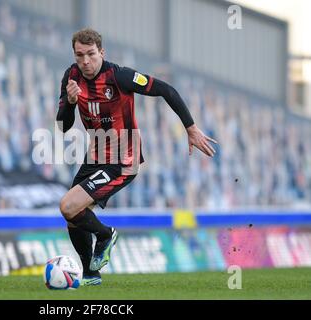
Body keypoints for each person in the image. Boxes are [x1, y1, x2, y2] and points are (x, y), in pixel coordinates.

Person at [56, 28, 218, 286]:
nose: (85, 61)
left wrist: (190, 127)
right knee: (74, 217)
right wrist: (71, 102)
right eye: (79, 55)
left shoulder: (119, 76)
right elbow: (63, 126)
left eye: (90, 54)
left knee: (67, 205)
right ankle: (90, 274)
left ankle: (106, 235)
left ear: (101, 52)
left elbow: (167, 90)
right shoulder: (71, 77)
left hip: (123, 159)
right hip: (95, 155)